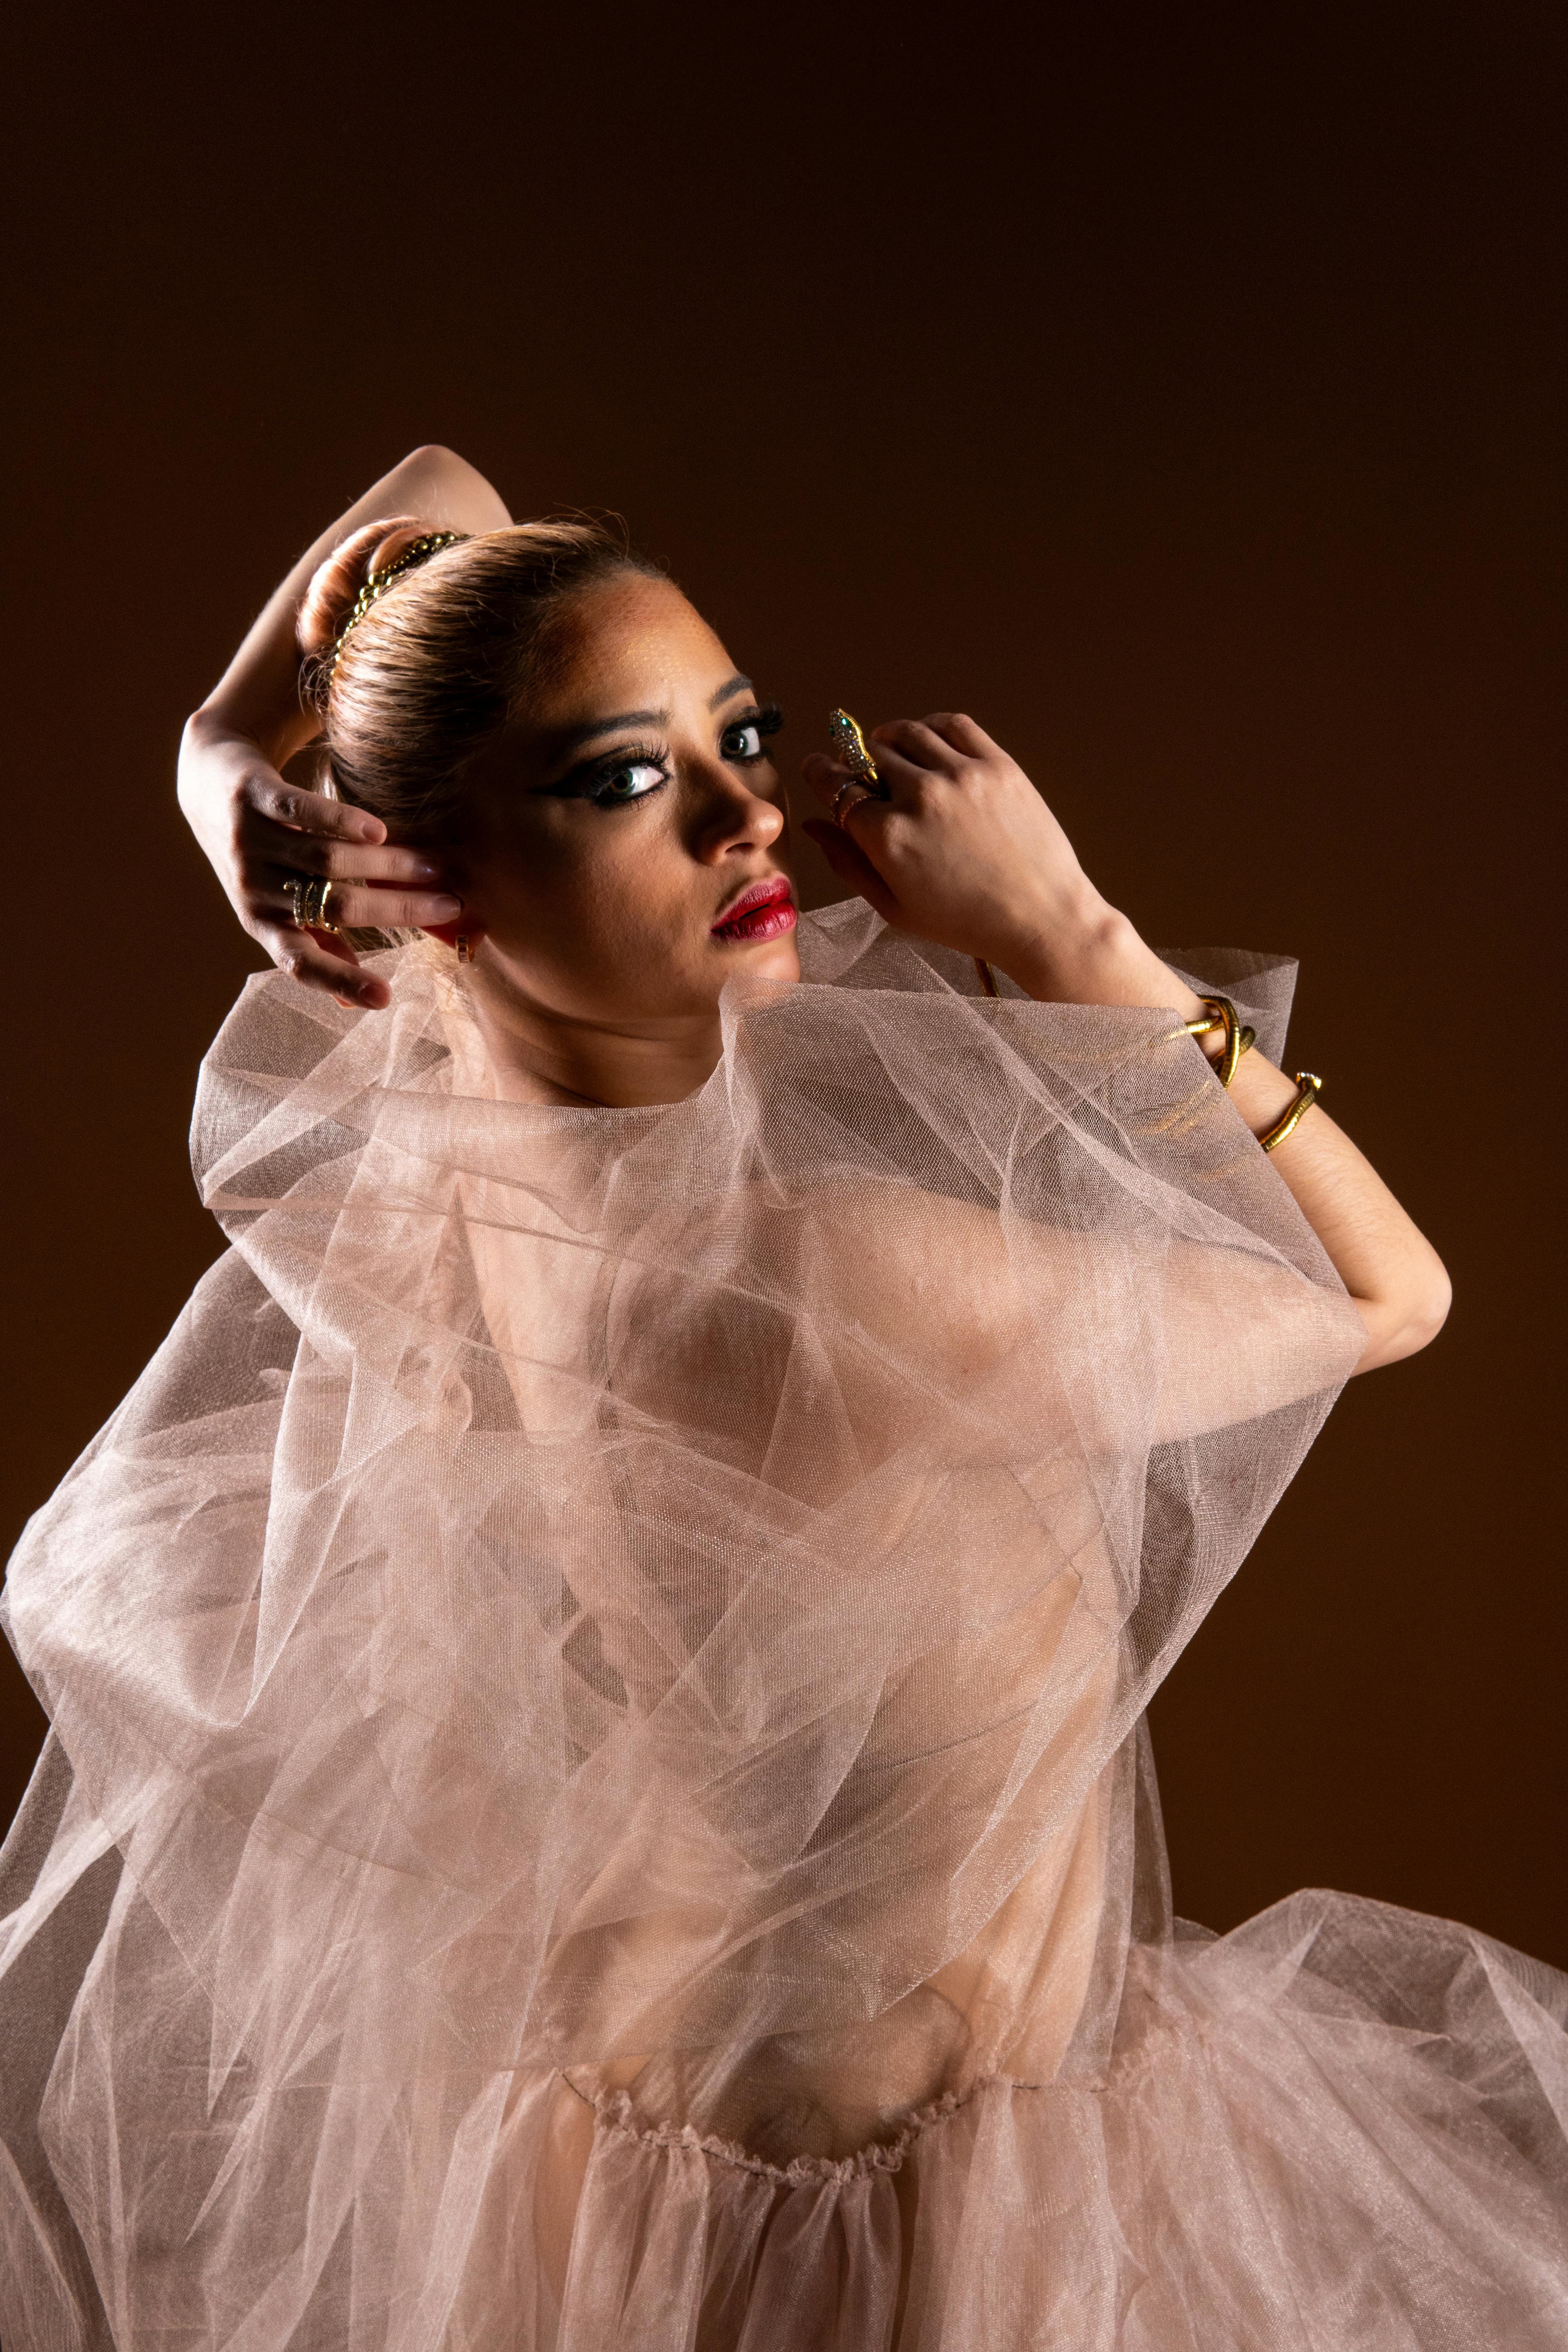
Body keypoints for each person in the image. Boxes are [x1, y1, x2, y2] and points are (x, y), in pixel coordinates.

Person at [0, 444, 1561, 2351]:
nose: (748, 821)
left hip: (628, 2149)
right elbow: (1392, 1296)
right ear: (445, 882)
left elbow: (448, 498)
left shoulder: (422, 1153)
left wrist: (217, 758)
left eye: (734, 736)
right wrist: (1070, 934)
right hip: (930, 2210)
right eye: (627, 784)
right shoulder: (830, 1274)